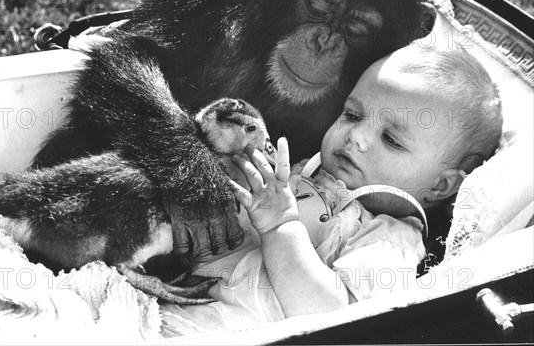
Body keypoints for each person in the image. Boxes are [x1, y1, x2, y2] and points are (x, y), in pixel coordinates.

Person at [160, 44, 502, 333]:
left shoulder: (389, 240)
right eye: (352, 115)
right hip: (168, 301)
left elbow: (335, 319)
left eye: (391, 140)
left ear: (441, 185)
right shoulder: (306, 172)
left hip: (228, 331)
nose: (357, 136)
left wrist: (281, 227)